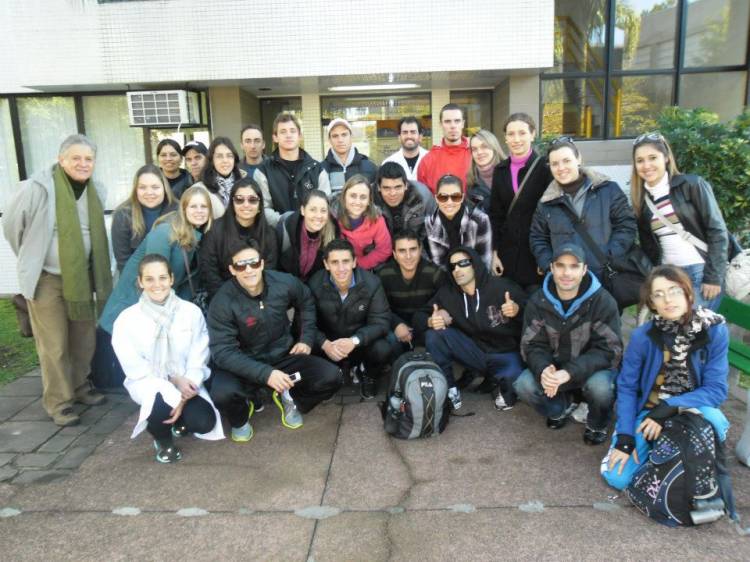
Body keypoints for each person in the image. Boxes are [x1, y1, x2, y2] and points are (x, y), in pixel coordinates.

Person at [3, 134, 111, 426]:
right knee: (54, 344)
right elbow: (13, 227)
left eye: (88, 159)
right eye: (76, 158)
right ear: (61, 159)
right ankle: (59, 402)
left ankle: (79, 387)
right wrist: (34, 258)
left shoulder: (96, 190)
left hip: (82, 279)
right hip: (46, 279)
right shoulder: (37, 188)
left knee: (83, 340)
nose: (83, 164)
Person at [601, 264, 730, 490]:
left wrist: (669, 407)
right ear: (652, 303)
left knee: (715, 420)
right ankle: (658, 451)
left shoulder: (713, 330)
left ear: (688, 293)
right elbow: (627, 387)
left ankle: (673, 454)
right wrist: (625, 438)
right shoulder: (643, 336)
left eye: (674, 291)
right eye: (658, 295)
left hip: (691, 408)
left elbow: (716, 390)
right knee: (617, 479)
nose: (668, 300)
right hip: (649, 411)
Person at [207, 241, 342, 440]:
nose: (248, 270)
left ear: (261, 264)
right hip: (245, 364)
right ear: (232, 270)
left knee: (332, 376)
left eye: (253, 263)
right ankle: (242, 415)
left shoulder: (283, 282)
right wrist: (266, 374)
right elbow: (223, 352)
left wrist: (306, 338)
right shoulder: (222, 301)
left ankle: (290, 397)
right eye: (240, 266)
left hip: (283, 356)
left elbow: (306, 300)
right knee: (222, 394)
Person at [112, 254, 223, 463]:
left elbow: (199, 355)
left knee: (204, 422)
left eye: (162, 278)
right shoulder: (126, 320)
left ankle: (179, 420)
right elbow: (135, 367)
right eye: (149, 279)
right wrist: (173, 382)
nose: (157, 284)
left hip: (186, 380)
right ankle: (162, 439)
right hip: (149, 383)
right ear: (140, 282)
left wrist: (187, 386)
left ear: (171, 279)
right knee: (159, 406)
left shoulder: (191, 312)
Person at [515, 243, 622, 445]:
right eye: (560, 265)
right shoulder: (537, 301)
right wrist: (543, 369)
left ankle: (597, 423)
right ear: (552, 268)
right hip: (556, 370)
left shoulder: (603, 301)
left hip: (591, 371)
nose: (566, 273)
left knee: (601, 388)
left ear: (584, 270)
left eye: (574, 266)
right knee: (524, 384)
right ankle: (560, 408)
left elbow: (610, 350)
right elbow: (530, 345)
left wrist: (570, 372)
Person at [630, 132, 730, 311]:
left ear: (666, 158)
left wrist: (714, 277)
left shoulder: (691, 185)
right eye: (640, 160)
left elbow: (717, 231)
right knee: (674, 324)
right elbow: (649, 247)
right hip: (669, 276)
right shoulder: (642, 201)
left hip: (700, 272)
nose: (646, 165)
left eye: (653, 158)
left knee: (688, 323)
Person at [99, 185, 213, 336]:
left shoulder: (199, 236)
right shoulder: (165, 232)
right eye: (193, 206)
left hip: (162, 315)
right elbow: (153, 279)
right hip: (129, 316)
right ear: (183, 209)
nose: (199, 211)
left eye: (203, 206)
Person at [425, 247, 526, 411]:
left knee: (516, 386)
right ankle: (449, 388)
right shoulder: (448, 293)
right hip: (474, 352)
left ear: (475, 264)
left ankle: (498, 380)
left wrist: (517, 311)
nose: (457, 269)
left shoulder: (502, 287)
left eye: (463, 263)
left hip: (505, 353)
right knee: (434, 335)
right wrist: (432, 320)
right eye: (453, 266)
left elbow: (533, 317)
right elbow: (421, 315)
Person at [529, 137, 636, 284]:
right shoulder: (546, 203)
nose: (561, 168)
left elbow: (626, 225)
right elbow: (538, 238)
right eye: (555, 163)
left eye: (566, 161)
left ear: (578, 158)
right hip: (566, 282)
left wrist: (610, 255)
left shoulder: (608, 190)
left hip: (604, 276)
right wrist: (550, 267)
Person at [309, 239, 391, 400]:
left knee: (382, 349)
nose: (341, 268)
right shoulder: (315, 284)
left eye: (346, 261)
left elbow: (381, 322)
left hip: (359, 343)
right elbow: (305, 323)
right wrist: (324, 344)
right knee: (303, 345)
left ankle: (367, 374)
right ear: (326, 264)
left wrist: (354, 341)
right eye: (335, 262)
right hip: (329, 344)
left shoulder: (372, 283)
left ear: (354, 262)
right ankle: (328, 378)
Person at [489, 113, 553, 291]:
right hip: (507, 256)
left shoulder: (545, 168)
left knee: (534, 302)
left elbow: (552, 216)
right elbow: (496, 215)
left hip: (535, 254)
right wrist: (494, 253)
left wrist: (545, 256)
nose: (516, 139)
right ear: (505, 138)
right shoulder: (500, 170)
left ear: (532, 135)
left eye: (522, 133)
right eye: (511, 134)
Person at [199, 177, 278, 300]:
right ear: (232, 204)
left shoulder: (269, 234)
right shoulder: (214, 231)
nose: (246, 205)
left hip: (258, 298)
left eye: (252, 200)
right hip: (223, 297)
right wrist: (228, 301)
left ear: (260, 205)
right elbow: (210, 274)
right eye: (239, 200)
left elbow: (269, 274)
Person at [255, 112, 331, 226]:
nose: (288, 135)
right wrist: (288, 222)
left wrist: (305, 225)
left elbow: (325, 206)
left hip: (312, 233)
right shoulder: (263, 171)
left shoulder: (317, 170)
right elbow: (263, 208)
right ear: (275, 137)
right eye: (283, 131)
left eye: (292, 131)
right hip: (277, 233)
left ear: (300, 136)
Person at [377, 229, 444, 357]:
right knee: (387, 340)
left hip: (426, 326)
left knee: (436, 336)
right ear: (394, 254)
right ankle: (396, 366)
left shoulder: (434, 273)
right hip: (397, 329)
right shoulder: (383, 274)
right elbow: (378, 308)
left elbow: (444, 304)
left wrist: (428, 322)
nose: (408, 256)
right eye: (402, 251)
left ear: (420, 250)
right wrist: (396, 324)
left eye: (413, 249)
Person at [110, 164, 177, 273]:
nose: (149, 192)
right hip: (135, 277)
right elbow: (123, 262)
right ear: (135, 190)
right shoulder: (122, 215)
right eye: (142, 187)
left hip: (173, 276)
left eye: (155, 187)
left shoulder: (178, 211)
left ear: (164, 188)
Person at [425, 174, 492, 271]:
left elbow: (484, 263)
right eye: (443, 197)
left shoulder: (480, 220)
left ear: (462, 197)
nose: (449, 202)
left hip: (475, 274)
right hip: (447, 275)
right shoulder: (430, 222)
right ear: (436, 199)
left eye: (455, 197)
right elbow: (439, 263)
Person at [276, 189, 339, 282]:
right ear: (303, 210)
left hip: (314, 287)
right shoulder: (286, 229)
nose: (318, 215)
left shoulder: (333, 234)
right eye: (313, 210)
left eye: (323, 211)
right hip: (286, 284)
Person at [335, 174, 392, 270]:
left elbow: (385, 250)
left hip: (365, 268)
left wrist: (357, 265)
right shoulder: (333, 218)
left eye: (363, 197)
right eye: (353, 196)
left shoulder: (377, 220)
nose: (358, 202)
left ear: (369, 200)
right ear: (344, 197)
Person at [417, 103, 471, 193]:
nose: (453, 126)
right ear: (440, 124)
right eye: (447, 121)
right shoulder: (428, 160)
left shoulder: (475, 153)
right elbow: (424, 197)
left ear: (463, 124)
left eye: (457, 121)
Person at [374, 161, 434, 241]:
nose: (393, 193)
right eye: (386, 188)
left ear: (406, 185)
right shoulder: (368, 199)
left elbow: (434, 230)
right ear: (378, 187)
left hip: (417, 244)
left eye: (398, 187)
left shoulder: (423, 196)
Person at [320, 118, 378, 196]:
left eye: (344, 135)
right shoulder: (321, 169)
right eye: (335, 136)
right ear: (329, 140)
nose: (340, 140)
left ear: (351, 137)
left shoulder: (370, 167)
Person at [193, 137, 246, 217]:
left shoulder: (245, 185)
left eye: (229, 156)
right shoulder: (199, 189)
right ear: (212, 160)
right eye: (219, 156)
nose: (225, 160)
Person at [466, 129, 504, 213]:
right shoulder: (471, 182)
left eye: (484, 147)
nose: (479, 152)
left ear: (494, 147)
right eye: (474, 149)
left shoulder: (511, 172)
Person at [382, 116, 428, 181]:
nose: (409, 136)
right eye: (405, 132)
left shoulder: (431, 159)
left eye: (413, 132)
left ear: (420, 137)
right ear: (399, 137)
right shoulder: (388, 163)